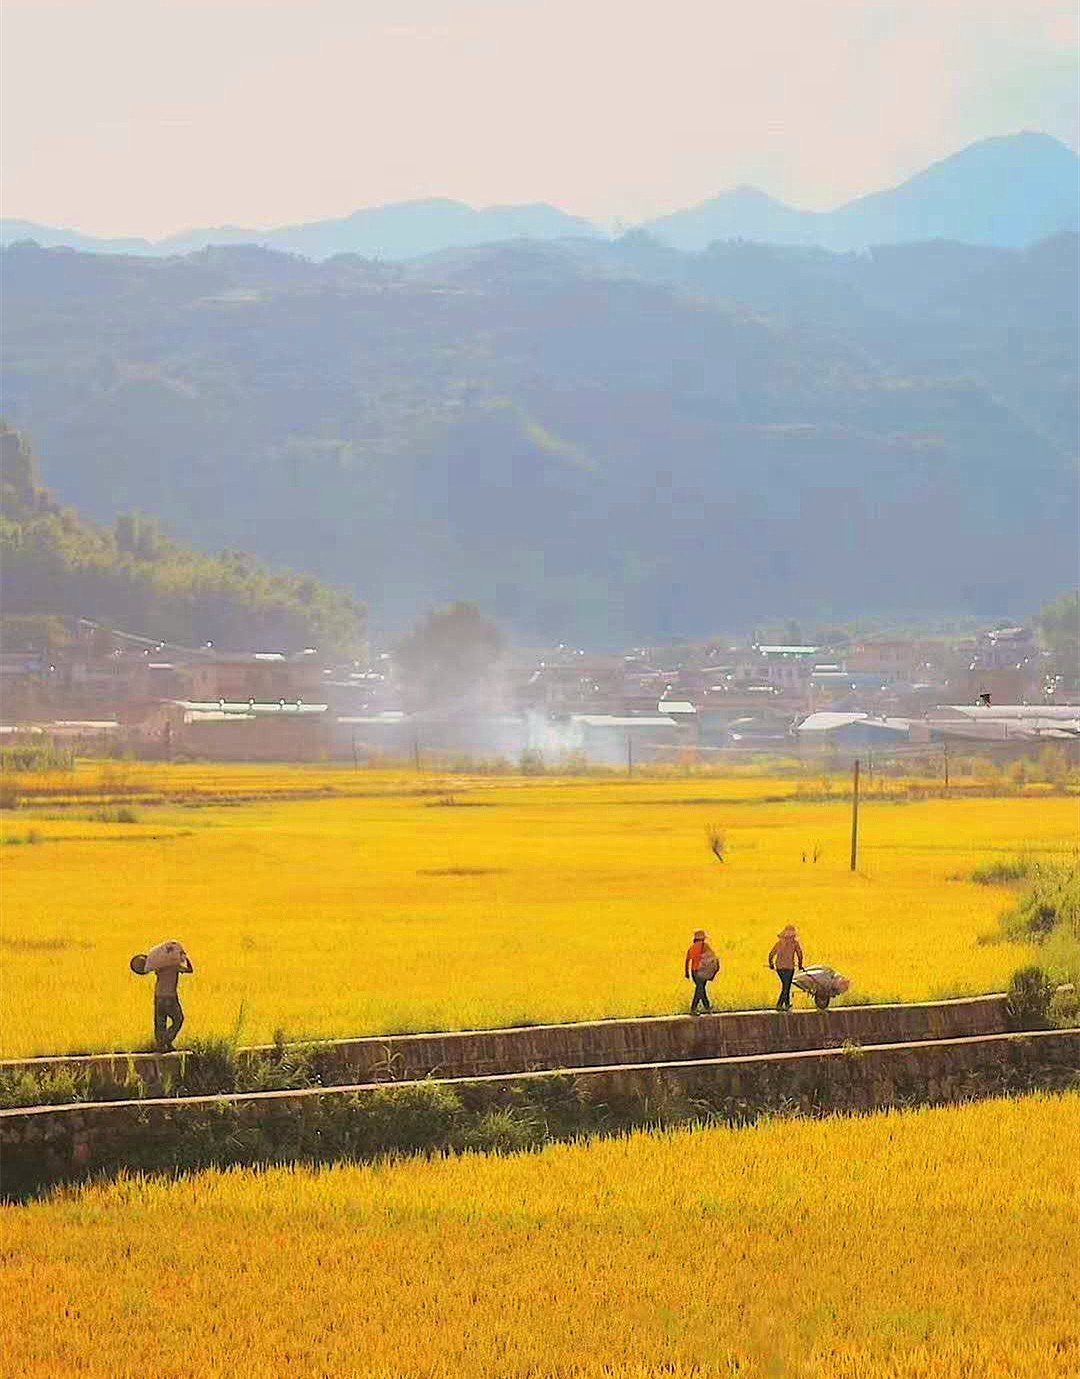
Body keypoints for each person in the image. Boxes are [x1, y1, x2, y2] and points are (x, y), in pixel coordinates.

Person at [137, 940, 194, 1051]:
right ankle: (166, 1041)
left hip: (158, 996)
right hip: (170, 997)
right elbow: (190, 970)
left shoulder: (159, 967)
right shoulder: (175, 966)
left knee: (160, 1023)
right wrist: (184, 956)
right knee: (178, 1019)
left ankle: (161, 1045)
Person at [768, 925, 803, 1012]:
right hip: (789, 968)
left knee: (786, 985)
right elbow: (800, 955)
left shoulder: (779, 943)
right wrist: (800, 965)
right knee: (786, 986)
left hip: (780, 968)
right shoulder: (795, 943)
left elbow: (771, 955)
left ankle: (787, 1004)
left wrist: (771, 964)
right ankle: (779, 1004)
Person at [684, 929, 719, 1015]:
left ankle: (707, 1008)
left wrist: (687, 973)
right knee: (700, 990)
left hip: (694, 972)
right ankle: (693, 1009)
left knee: (701, 989)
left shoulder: (691, 948)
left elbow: (687, 960)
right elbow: (712, 957)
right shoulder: (705, 946)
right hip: (702, 971)